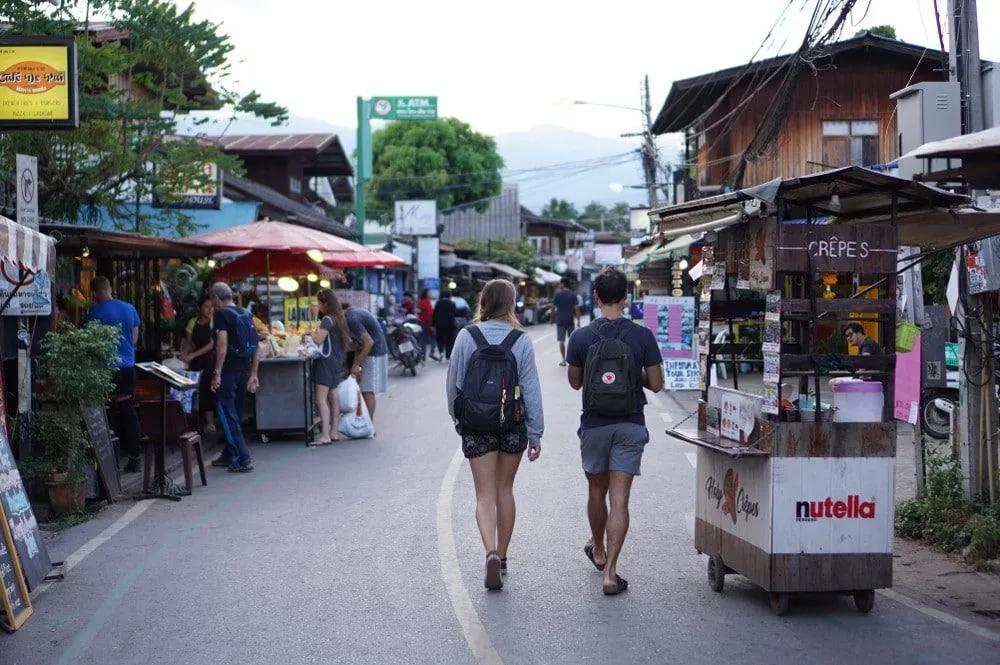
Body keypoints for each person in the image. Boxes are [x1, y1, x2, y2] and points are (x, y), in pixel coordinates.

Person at [566, 267, 664, 596]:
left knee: (596, 492)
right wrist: (634, 376)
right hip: (629, 423)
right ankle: (611, 573)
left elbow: (575, 382)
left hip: (594, 424)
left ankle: (597, 549)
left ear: (596, 296)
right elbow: (658, 385)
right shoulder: (642, 336)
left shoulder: (580, 338)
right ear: (626, 297)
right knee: (619, 499)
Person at [446, 279, 543, 591]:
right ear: (512, 305)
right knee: (505, 490)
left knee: (484, 495)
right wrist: (536, 431)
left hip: (476, 424)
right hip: (512, 423)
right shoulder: (521, 340)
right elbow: (531, 389)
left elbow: (454, 384)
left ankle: (488, 549)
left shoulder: (466, 336)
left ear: (484, 302)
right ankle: (502, 557)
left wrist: (458, 418)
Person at [83, 276, 143, 474]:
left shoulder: (95, 312)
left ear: (96, 292)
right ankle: (135, 456)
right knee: (127, 409)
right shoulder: (129, 308)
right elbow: (134, 338)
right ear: (110, 288)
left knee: (106, 411)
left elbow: (88, 340)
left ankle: (110, 459)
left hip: (105, 368)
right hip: (127, 367)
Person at [209, 282, 261, 473]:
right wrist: (254, 374)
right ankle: (230, 452)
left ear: (216, 298)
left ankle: (243, 457)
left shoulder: (221, 315)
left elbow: (221, 346)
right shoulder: (245, 313)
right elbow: (257, 347)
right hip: (244, 371)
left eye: (212, 300)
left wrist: (217, 373)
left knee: (226, 412)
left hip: (229, 372)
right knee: (235, 414)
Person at [311, 289, 354, 443]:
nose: (318, 306)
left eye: (319, 303)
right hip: (337, 361)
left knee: (320, 399)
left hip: (326, 362)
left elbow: (318, 340)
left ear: (325, 303)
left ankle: (325, 435)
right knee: (333, 397)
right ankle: (334, 432)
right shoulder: (339, 318)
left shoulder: (327, 319)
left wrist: (311, 332)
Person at [344, 303, 389, 421]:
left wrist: (356, 364)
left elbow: (368, 343)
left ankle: (368, 424)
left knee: (367, 390)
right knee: (364, 388)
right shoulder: (352, 313)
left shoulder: (351, 318)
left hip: (374, 353)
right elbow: (359, 344)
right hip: (372, 352)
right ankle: (366, 422)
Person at [181, 295, 216, 434]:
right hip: (195, 362)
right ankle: (195, 422)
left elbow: (211, 344)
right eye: (207, 306)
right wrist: (184, 353)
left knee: (208, 390)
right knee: (194, 391)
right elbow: (189, 342)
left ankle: (210, 423)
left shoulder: (214, 322)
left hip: (209, 360)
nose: (210, 309)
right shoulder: (192, 322)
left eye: (212, 306)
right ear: (200, 308)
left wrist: (192, 355)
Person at [553, 277, 580, 367]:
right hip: (570, 321)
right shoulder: (573, 294)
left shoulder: (558, 294)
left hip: (560, 321)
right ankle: (572, 360)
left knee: (561, 341)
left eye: (560, 283)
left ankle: (563, 360)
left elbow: (553, 308)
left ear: (563, 284)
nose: (559, 285)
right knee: (571, 341)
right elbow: (576, 308)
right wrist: (578, 320)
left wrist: (551, 319)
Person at [433, 292, 459, 360]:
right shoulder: (451, 303)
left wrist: (432, 324)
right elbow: (455, 313)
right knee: (449, 340)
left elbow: (434, 314)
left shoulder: (438, 303)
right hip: (450, 325)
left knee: (440, 338)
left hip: (439, 324)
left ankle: (441, 352)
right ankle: (448, 355)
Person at [418, 288, 439, 361]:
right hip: (426, 323)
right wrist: (431, 324)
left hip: (426, 323)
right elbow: (428, 313)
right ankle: (429, 353)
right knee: (430, 338)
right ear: (426, 294)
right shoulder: (424, 302)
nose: (431, 294)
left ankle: (424, 354)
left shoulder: (425, 301)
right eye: (429, 293)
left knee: (424, 339)